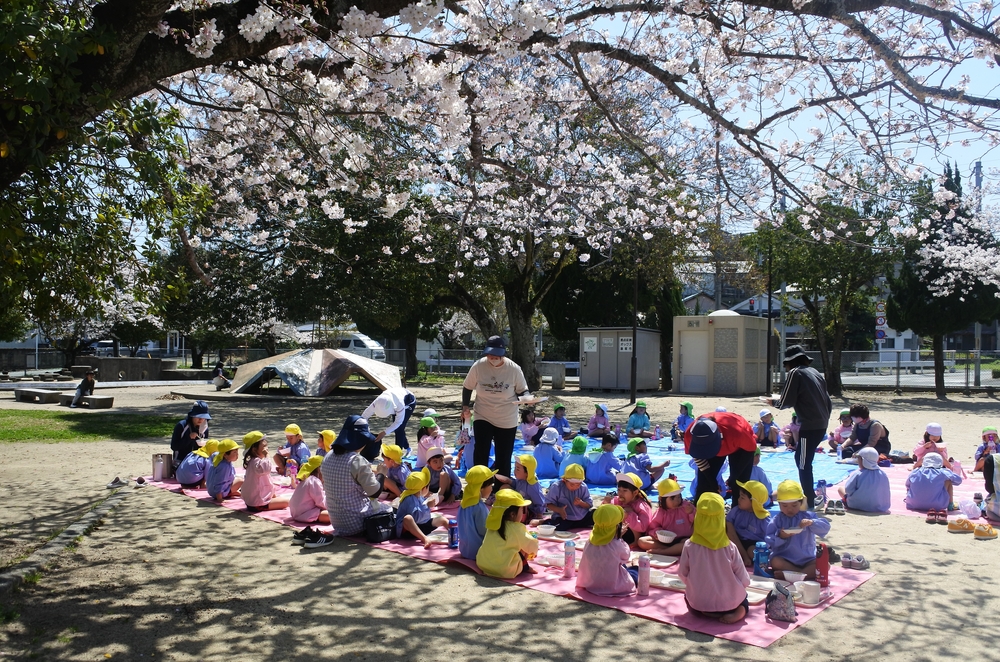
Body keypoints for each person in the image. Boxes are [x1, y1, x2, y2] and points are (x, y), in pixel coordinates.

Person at [764, 345, 833, 509]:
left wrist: (773, 402)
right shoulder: (815, 372)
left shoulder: (795, 373)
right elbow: (827, 400)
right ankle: (809, 494)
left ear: (790, 362)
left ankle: (809, 498)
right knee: (803, 459)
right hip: (821, 422)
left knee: (803, 461)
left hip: (810, 425)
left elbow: (786, 400)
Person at [461, 336, 530, 479]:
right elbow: (467, 387)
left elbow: (523, 390)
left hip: (506, 417)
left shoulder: (514, 369)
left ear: (503, 353)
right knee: (481, 451)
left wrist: (528, 398)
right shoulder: (479, 366)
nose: (492, 357)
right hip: (483, 413)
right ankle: (480, 484)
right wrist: (465, 406)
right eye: (489, 354)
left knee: (503, 455)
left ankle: (500, 489)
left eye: (496, 355)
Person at [678, 493, 751, 624]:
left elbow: (682, 574)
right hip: (730, 604)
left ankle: (705, 611)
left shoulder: (689, 545)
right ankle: (740, 610)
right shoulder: (730, 547)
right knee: (744, 600)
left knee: (689, 598)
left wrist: (697, 586)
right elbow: (744, 578)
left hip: (699, 604)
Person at [319, 415, 393, 539]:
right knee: (391, 510)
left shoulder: (328, 456)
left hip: (337, 522)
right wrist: (382, 473)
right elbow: (374, 492)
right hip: (357, 522)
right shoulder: (356, 460)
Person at [683, 413, 756, 507]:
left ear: (719, 436)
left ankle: (738, 514)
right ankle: (700, 513)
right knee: (705, 483)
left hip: (741, 448)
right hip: (724, 442)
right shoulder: (690, 434)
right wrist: (712, 481)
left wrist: (733, 477)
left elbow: (750, 450)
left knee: (739, 483)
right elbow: (699, 458)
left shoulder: (737, 433)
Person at [765, 480, 831, 581]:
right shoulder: (777, 520)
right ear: (779, 504)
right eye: (785, 506)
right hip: (786, 559)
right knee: (775, 562)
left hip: (808, 558)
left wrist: (811, 522)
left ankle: (794, 575)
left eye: (794, 505)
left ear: (801, 502)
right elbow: (769, 540)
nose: (789, 509)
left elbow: (825, 527)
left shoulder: (808, 515)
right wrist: (781, 536)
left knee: (825, 565)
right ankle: (802, 575)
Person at [576, 504, 637, 597]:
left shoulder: (589, 542)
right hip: (613, 587)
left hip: (591, 584)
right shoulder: (616, 544)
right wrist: (619, 538)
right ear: (617, 527)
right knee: (635, 572)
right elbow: (625, 557)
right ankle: (636, 567)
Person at [476, 489, 539, 578]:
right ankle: (525, 567)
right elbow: (532, 546)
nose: (523, 513)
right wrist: (534, 549)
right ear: (512, 514)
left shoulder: (492, 523)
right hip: (505, 570)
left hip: (484, 565)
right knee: (523, 548)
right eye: (522, 510)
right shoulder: (516, 528)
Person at [637, 478, 694, 556]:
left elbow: (697, 523)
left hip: (683, 539)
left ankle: (663, 552)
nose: (677, 501)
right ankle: (670, 550)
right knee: (642, 541)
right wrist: (657, 533)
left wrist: (691, 513)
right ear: (661, 499)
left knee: (688, 543)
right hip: (665, 541)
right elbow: (652, 527)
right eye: (672, 498)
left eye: (678, 497)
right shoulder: (661, 512)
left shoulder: (686, 507)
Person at [395, 468, 449, 547]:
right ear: (423, 489)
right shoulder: (409, 499)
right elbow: (416, 518)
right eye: (428, 486)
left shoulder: (419, 496)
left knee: (442, 519)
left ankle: (457, 534)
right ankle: (425, 539)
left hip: (422, 525)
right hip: (410, 530)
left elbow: (424, 516)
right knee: (408, 518)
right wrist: (427, 506)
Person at [725, 480, 772, 566]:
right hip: (737, 541)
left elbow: (770, 538)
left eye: (742, 498)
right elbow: (729, 526)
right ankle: (744, 556)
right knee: (728, 530)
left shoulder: (763, 519)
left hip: (754, 543)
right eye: (739, 496)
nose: (738, 499)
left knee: (754, 552)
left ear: (753, 502)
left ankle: (748, 558)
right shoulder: (737, 511)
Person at [242, 431, 292, 512]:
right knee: (287, 502)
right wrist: (266, 456)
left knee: (279, 499)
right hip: (257, 503)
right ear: (254, 450)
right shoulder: (257, 462)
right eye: (264, 447)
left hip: (253, 500)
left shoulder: (253, 460)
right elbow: (266, 469)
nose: (267, 449)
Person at [905, 452, 962, 516]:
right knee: (948, 481)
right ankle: (950, 505)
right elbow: (958, 480)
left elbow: (907, 484)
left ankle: (915, 498)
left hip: (913, 503)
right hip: (938, 505)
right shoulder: (943, 472)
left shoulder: (915, 472)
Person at [362, 385, 417, 452]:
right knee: (397, 429)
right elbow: (364, 417)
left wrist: (384, 432)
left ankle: (398, 452)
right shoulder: (377, 402)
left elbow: (398, 422)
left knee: (399, 428)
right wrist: (366, 431)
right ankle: (408, 448)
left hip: (409, 403)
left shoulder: (399, 404)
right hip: (395, 399)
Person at [602, 473, 652, 546]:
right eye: (619, 490)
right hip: (619, 532)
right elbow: (604, 514)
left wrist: (630, 514)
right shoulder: (617, 500)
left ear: (635, 492)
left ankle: (633, 542)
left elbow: (643, 527)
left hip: (634, 535)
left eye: (625, 490)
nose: (621, 494)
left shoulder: (641, 506)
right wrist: (606, 503)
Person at [458, 465, 496, 560]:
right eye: (490, 486)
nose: (492, 489)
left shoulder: (463, 503)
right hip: (478, 552)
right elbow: (484, 531)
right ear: (481, 488)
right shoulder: (479, 507)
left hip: (465, 550)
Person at [837, 447, 890, 513]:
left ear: (862, 460)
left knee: (840, 489)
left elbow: (848, 490)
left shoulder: (858, 473)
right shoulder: (883, 474)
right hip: (879, 506)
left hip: (856, 505)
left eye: (858, 458)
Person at [545, 463, 594, 530]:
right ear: (564, 480)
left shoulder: (583, 487)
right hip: (565, 518)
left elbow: (589, 505)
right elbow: (548, 504)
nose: (575, 487)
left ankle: (574, 525)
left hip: (582, 517)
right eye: (572, 484)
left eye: (578, 484)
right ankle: (544, 522)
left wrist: (581, 503)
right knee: (558, 526)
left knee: (597, 515)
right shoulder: (557, 487)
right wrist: (559, 510)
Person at [495, 455, 545, 520]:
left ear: (527, 473)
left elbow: (540, 502)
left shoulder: (532, 486)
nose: (515, 471)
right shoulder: (520, 479)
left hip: (526, 511)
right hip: (518, 505)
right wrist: (508, 481)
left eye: (518, 469)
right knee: (505, 487)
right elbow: (516, 485)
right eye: (515, 468)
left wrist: (539, 516)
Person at [170, 401, 211, 467]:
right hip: (180, 461)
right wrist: (188, 438)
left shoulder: (204, 428)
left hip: (197, 461)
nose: (201, 420)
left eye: (203, 417)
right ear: (192, 416)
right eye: (198, 417)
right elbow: (174, 446)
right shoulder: (182, 425)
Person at [288, 456, 329, 524]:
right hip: (305, 513)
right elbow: (321, 503)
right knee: (333, 515)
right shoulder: (314, 481)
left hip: (296, 513)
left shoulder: (308, 479)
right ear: (319, 469)